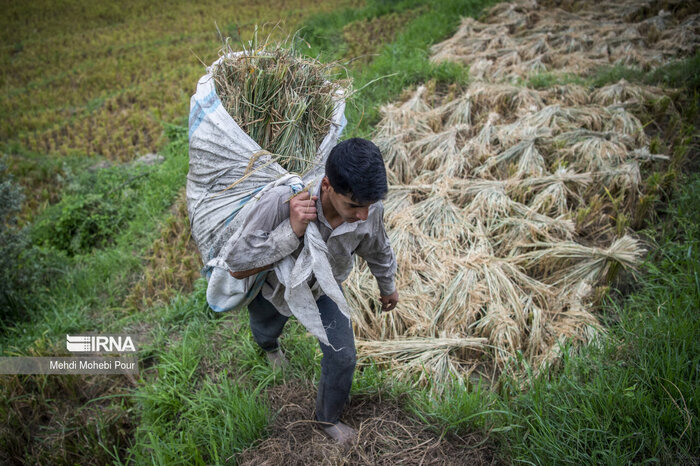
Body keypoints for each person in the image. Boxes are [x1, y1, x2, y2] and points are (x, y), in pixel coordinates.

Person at [226, 137, 399, 444]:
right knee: (266, 328)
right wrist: (292, 231)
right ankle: (270, 349)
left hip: (324, 287)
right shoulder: (283, 200)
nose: (363, 215)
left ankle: (327, 418)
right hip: (275, 288)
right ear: (328, 186)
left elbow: (379, 248)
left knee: (343, 357)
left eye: (368, 206)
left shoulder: (369, 209)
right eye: (354, 206)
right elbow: (238, 264)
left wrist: (388, 287)